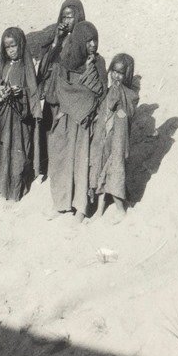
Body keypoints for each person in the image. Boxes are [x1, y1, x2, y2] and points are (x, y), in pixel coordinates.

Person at [46, 21, 106, 220]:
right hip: (67, 119)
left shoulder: (99, 63)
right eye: (88, 41)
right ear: (80, 42)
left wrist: (90, 72)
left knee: (82, 162)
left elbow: (100, 93)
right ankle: (61, 203)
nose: (93, 44)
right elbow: (60, 90)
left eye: (95, 40)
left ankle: (81, 207)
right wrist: (74, 101)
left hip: (85, 122)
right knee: (62, 161)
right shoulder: (66, 62)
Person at [0, 27, 42, 201]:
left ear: (21, 45)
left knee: (15, 153)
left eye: (13, 46)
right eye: (7, 47)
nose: (11, 50)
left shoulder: (26, 66)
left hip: (17, 119)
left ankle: (12, 190)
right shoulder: (3, 65)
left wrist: (20, 92)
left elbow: (32, 91)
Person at [34, 0, 87, 177]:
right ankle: (47, 165)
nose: (66, 21)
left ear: (78, 17)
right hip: (53, 89)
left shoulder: (83, 38)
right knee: (49, 124)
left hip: (69, 91)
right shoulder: (59, 36)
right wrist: (57, 39)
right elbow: (45, 63)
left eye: (70, 17)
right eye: (64, 17)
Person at [94, 53, 139, 222]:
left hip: (118, 142)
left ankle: (121, 211)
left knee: (115, 174)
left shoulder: (129, 94)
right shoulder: (110, 90)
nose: (115, 76)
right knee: (102, 172)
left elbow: (124, 114)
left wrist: (118, 94)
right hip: (106, 138)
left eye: (120, 73)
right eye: (114, 71)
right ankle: (99, 211)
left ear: (126, 75)